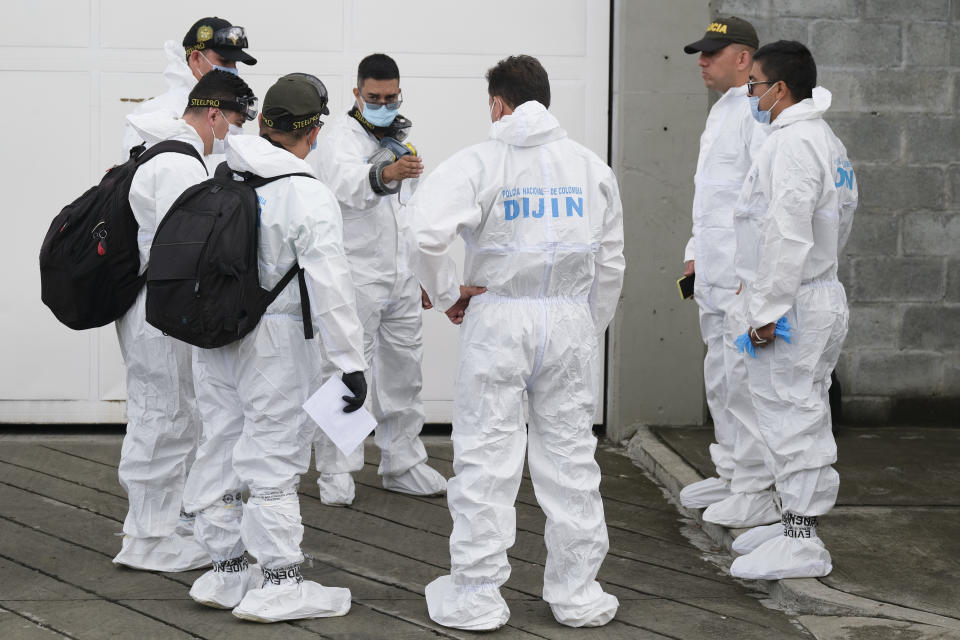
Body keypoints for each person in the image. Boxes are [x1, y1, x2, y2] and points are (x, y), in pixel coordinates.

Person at [407, 55, 625, 630]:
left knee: (486, 455)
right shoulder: (589, 167)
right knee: (572, 458)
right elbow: (611, 261)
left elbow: (425, 232)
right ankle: (577, 592)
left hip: (500, 317)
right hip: (569, 320)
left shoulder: (480, 162)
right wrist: (588, 325)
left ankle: (478, 594)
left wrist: (447, 290)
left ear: (499, 103)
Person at [181, 73, 368, 622]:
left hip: (217, 334)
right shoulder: (307, 192)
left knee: (220, 442)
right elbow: (332, 288)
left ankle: (227, 571)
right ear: (314, 130)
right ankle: (281, 581)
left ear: (263, 121)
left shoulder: (223, 173)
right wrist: (350, 364)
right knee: (273, 457)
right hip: (277, 339)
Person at [113, 71, 257, 572]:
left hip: (158, 303)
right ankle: (147, 538)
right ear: (214, 114)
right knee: (164, 415)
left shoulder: (171, 154)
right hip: (160, 308)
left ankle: (161, 521)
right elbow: (190, 250)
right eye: (237, 121)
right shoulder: (177, 165)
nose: (238, 134)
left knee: (171, 413)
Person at [727, 41, 857, 580]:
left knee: (792, 416)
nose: (751, 94)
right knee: (794, 410)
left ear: (780, 88)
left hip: (796, 301)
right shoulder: (820, 138)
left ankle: (802, 539)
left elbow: (787, 233)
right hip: (812, 294)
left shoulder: (795, 144)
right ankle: (790, 522)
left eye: (755, 84)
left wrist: (766, 309)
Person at [310, 53, 446, 505]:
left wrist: (423, 274)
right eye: (374, 97)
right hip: (355, 276)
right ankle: (336, 469)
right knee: (345, 370)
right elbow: (348, 185)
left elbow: (411, 215)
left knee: (405, 372)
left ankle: (402, 461)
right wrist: (386, 173)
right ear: (356, 94)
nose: (384, 103)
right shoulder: (338, 140)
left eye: (391, 97)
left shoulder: (400, 140)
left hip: (401, 276)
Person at [677, 17, 780, 530]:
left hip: (742, 274)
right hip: (714, 272)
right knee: (719, 375)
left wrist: (753, 273)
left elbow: (763, 199)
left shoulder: (758, 113)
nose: (702, 61)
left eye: (712, 53)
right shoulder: (722, 110)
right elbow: (712, 196)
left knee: (744, 381)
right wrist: (696, 251)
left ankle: (756, 486)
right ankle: (732, 470)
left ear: (744, 58)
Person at [121, 16, 256, 158]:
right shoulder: (155, 113)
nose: (232, 69)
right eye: (225, 61)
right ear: (196, 58)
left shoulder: (224, 108)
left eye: (235, 63)